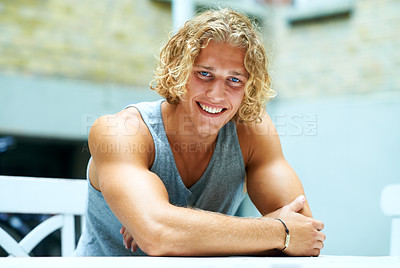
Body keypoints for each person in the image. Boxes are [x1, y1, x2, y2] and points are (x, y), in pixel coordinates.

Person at [74, 8, 325, 257]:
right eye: (204, 74)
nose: (217, 94)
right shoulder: (121, 131)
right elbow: (158, 234)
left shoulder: (251, 132)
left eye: (234, 79)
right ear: (179, 71)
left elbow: (305, 235)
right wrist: (278, 230)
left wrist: (180, 228)